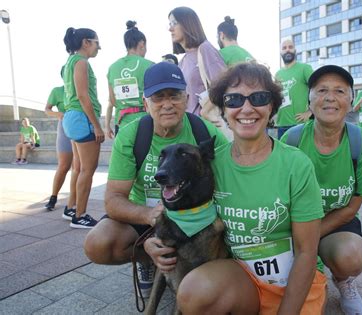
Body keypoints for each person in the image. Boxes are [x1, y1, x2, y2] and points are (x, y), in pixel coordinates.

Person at [144, 62, 327, 314]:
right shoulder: (210, 164)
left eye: (259, 98)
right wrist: (150, 243)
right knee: (195, 291)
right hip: (240, 277)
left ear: (272, 106)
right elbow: (173, 211)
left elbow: (307, 251)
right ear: (223, 109)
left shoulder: (296, 164)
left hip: (291, 280)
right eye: (234, 99)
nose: (246, 108)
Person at [83, 62, 228, 297]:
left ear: (187, 98)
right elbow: (113, 199)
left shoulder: (204, 131)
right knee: (98, 243)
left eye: (175, 96)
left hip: (194, 214)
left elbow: (231, 177)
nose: (167, 104)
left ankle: (182, 262)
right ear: (145, 103)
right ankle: (149, 258)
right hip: (146, 213)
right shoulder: (131, 135)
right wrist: (152, 219)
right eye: (158, 97)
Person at [281, 65, 362, 315]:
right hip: (295, 222)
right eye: (322, 90)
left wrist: (308, 243)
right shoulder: (291, 140)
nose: (330, 98)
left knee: (351, 257)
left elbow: (352, 207)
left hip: (337, 221)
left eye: (339, 91)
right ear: (309, 99)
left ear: (351, 99)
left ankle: (343, 280)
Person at [62, 27, 104, 228]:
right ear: (86, 42)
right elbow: (83, 96)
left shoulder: (69, 62)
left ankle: (71, 207)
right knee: (88, 169)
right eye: (97, 43)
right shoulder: (81, 62)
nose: (99, 47)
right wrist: (97, 126)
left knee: (78, 168)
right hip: (82, 118)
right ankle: (80, 215)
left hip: (71, 117)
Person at [168, 6, 226, 115]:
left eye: (174, 23)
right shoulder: (182, 62)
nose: (170, 29)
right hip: (190, 125)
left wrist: (205, 111)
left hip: (208, 125)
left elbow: (225, 85)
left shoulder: (205, 49)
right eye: (170, 24)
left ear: (187, 23)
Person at [105, 20, 154, 139]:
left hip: (122, 123)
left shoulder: (112, 68)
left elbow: (112, 100)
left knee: (125, 156)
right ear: (142, 43)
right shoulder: (150, 65)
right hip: (145, 121)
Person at [44, 69, 79, 216]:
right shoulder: (57, 91)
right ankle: (53, 196)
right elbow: (47, 109)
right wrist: (57, 113)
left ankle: (72, 203)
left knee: (78, 168)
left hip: (79, 126)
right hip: (64, 127)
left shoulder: (81, 89)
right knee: (64, 166)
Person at [275, 39, 313, 139]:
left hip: (299, 125)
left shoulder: (305, 68)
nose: (287, 50)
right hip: (281, 125)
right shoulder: (278, 74)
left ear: (295, 51)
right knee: (283, 155)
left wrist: (310, 111)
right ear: (281, 52)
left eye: (290, 47)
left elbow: (319, 89)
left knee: (300, 154)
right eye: (284, 48)